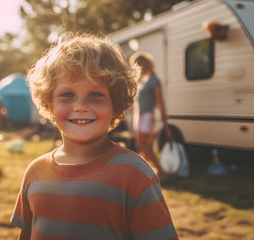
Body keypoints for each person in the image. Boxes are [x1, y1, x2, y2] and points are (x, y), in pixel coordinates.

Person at [11, 33, 178, 239]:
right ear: (49, 102)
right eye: (67, 94)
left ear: (115, 102)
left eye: (95, 94)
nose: (80, 107)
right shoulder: (35, 172)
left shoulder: (135, 175)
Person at [130, 52, 172, 181]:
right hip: (142, 116)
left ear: (142, 65)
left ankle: (161, 172)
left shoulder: (154, 80)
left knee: (143, 146)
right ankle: (150, 171)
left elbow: (160, 101)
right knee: (142, 146)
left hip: (148, 117)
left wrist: (164, 120)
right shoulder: (146, 80)